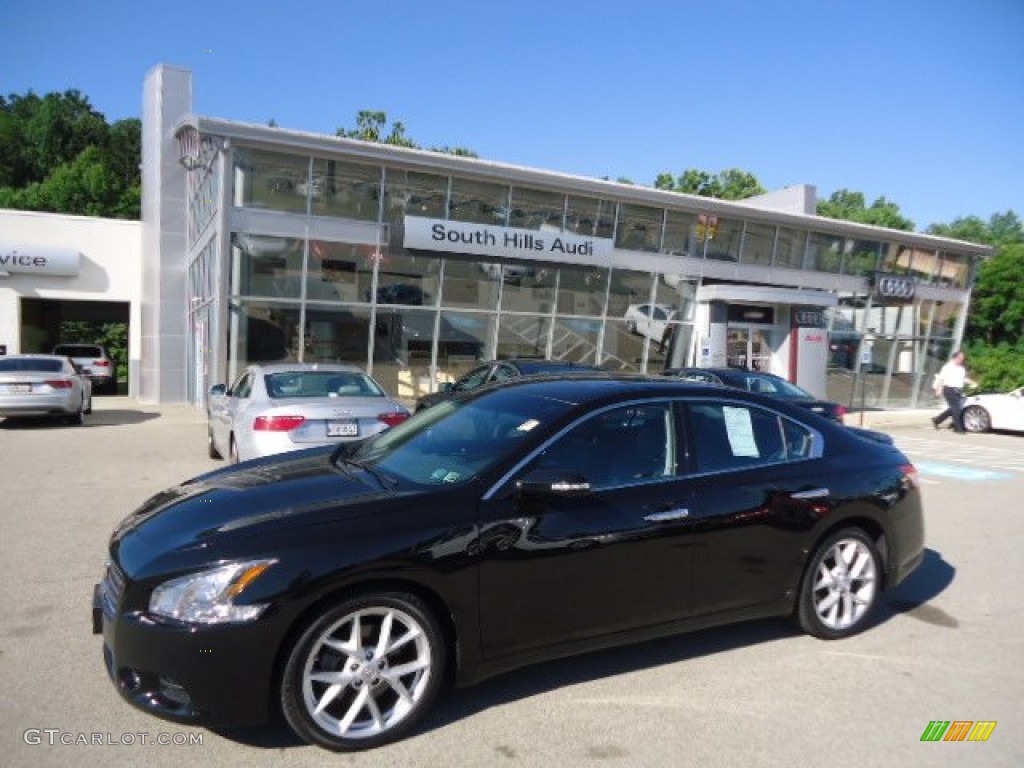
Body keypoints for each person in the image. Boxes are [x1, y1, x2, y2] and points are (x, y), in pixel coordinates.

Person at [931, 350, 975, 433]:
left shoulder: (961, 368)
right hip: (949, 389)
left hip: (958, 390)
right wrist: (939, 389)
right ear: (955, 358)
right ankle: (958, 428)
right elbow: (941, 378)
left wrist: (971, 382)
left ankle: (937, 420)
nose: (961, 360)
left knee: (954, 408)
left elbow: (962, 379)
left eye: (963, 358)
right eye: (960, 358)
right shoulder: (947, 367)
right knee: (956, 408)